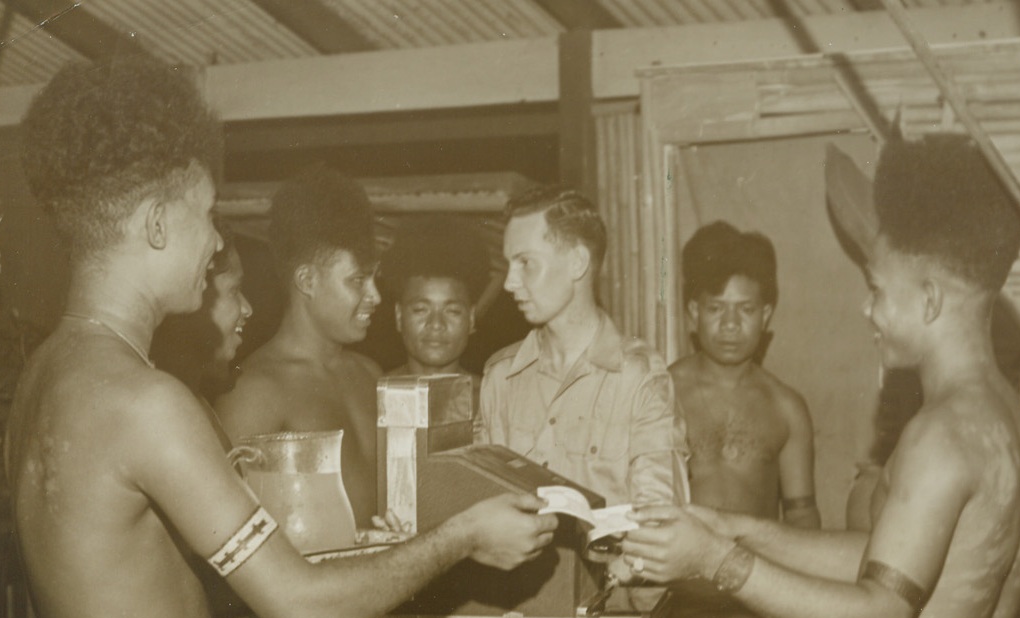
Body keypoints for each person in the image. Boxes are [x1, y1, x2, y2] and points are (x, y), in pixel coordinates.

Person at [0, 56, 556, 618]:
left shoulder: (55, 371)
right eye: (207, 217)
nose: (220, 245)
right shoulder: (147, 401)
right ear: (152, 223)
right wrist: (458, 537)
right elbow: (297, 610)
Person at [624, 132, 1020, 618]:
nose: (867, 309)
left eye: (876, 289)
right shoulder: (1008, 416)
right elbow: (884, 558)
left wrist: (715, 562)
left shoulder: (941, 432)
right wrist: (731, 528)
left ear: (927, 300)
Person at [477, 185, 689, 511]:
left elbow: (660, 526)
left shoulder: (639, 378)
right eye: (509, 264)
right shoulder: (500, 376)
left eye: (525, 263)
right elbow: (483, 512)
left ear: (577, 262)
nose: (509, 283)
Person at [213, 165, 385, 529]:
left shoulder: (370, 375)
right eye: (358, 280)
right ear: (307, 280)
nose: (375, 296)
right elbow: (227, 541)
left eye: (374, 278)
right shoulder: (254, 392)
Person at [671, 221, 819, 526]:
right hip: (674, 568)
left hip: (756, 569)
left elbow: (802, 514)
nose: (730, 324)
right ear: (694, 312)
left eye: (746, 310)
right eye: (716, 308)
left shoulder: (786, 408)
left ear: (765, 315)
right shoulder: (663, 390)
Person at [151, 219, 253, 406]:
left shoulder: (195, 400)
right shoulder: (166, 403)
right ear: (198, 294)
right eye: (234, 291)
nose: (248, 309)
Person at [384, 214, 489, 382]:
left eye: (453, 311)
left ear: (471, 319)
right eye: (420, 309)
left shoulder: (491, 398)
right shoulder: (370, 393)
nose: (436, 324)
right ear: (398, 316)